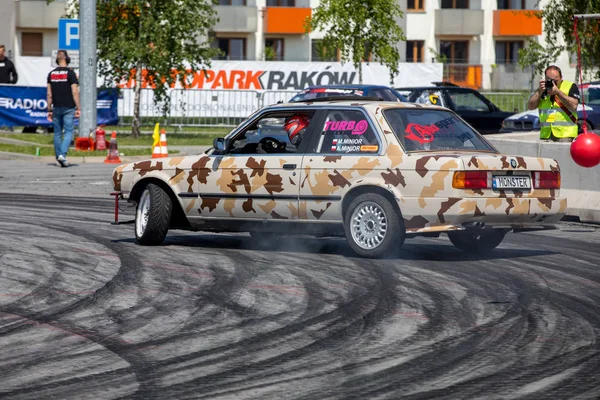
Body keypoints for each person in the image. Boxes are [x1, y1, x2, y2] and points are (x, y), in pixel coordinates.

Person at [527, 65, 580, 142]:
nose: (552, 83)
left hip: (565, 135)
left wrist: (558, 92)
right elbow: (531, 106)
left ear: (561, 77)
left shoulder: (570, 86)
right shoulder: (542, 89)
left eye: (555, 80)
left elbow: (574, 106)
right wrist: (539, 92)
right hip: (546, 135)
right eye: (549, 80)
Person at [47, 50, 80, 167]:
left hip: (56, 107)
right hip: (69, 107)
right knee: (68, 132)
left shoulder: (51, 74)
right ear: (66, 58)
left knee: (57, 133)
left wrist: (49, 109)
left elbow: (49, 94)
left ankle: (58, 158)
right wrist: (78, 107)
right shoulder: (71, 73)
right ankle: (63, 155)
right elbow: (75, 92)